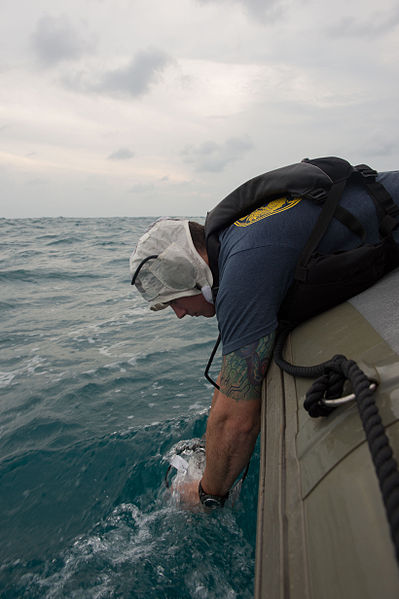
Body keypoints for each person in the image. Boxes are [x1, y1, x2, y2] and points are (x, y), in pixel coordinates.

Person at [130, 168, 399, 509]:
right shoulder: (235, 240)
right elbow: (232, 378)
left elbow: (238, 422)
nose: (179, 313)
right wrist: (207, 445)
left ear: (190, 271)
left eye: (174, 301)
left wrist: (205, 494)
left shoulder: (243, 270)